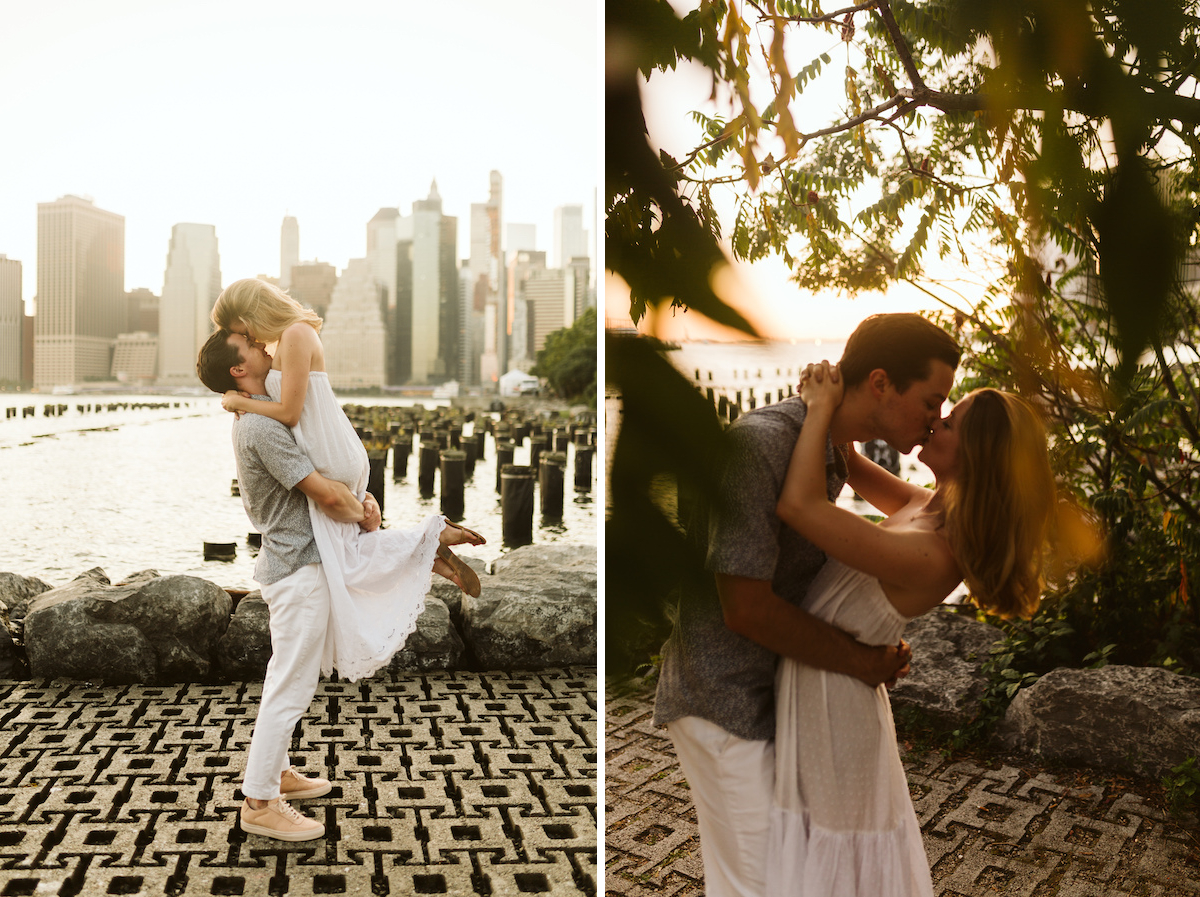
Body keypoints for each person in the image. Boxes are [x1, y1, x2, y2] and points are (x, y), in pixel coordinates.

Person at [653, 313, 962, 897]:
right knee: (762, 885)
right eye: (931, 399)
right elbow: (744, 608)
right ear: (880, 383)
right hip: (725, 698)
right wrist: (859, 660)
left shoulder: (831, 452)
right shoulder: (763, 445)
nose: (935, 417)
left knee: (790, 880)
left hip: (779, 696)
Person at [769, 363, 1054, 895]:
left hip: (835, 708)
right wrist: (848, 395)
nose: (936, 422)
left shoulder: (934, 552)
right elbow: (848, 460)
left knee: (835, 867)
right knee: (817, 856)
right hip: (824, 687)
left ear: (976, 456)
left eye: (950, 423)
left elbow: (800, 506)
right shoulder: (924, 508)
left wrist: (819, 406)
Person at [210, 278, 484, 683]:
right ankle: (430, 547)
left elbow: (288, 412)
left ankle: (429, 547)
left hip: (329, 450)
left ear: (250, 314)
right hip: (328, 449)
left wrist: (238, 401)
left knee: (344, 552)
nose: (242, 336)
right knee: (345, 558)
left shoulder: (296, 334)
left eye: (238, 327)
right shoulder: (281, 343)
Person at [196, 328, 380, 841]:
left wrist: (358, 502)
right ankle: (259, 802)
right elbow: (322, 493)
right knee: (290, 684)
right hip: (299, 569)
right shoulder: (260, 427)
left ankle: (276, 773)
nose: (263, 346)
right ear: (239, 368)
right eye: (251, 345)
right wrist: (363, 514)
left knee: (293, 678)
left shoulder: (262, 413)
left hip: (300, 562)